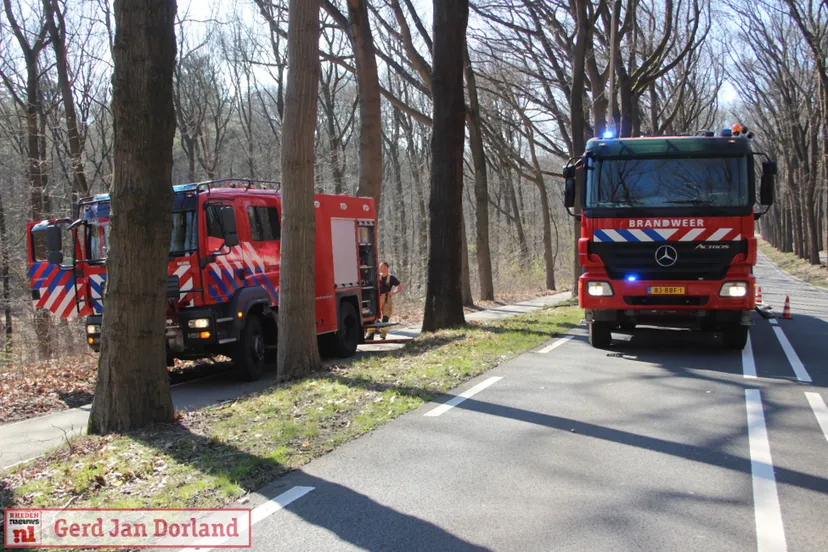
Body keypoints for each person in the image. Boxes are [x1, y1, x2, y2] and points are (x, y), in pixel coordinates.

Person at [367, 262, 402, 340]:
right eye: (381, 267)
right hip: (377, 298)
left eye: (384, 267)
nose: (382, 269)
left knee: (385, 317)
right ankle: (370, 334)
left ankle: (383, 335)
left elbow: (400, 287)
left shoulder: (391, 277)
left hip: (387, 299)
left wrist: (393, 293)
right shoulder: (377, 277)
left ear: (387, 268)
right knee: (373, 316)